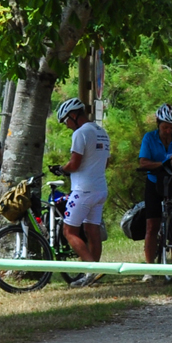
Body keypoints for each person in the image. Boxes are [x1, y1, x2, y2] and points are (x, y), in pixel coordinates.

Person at [54, 97, 110, 282]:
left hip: (83, 190)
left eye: (66, 121)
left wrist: (62, 169)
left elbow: (75, 163)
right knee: (92, 231)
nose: (66, 125)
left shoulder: (80, 133)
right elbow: (106, 162)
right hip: (100, 188)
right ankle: (93, 273)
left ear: (74, 115)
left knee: (69, 231)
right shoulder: (101, 131)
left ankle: (91, 268)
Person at [137, 103, 172, 275]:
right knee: (152, 225)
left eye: (171, 127)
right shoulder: (149, 138)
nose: (168, 131)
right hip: (155, 182)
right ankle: (149, 269)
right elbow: (143, 162)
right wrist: (162, 164)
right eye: (165, 127)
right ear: (158, 124)